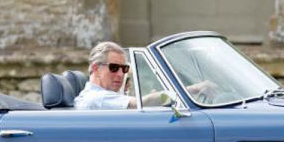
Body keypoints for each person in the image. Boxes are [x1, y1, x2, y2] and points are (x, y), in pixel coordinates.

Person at [74, 41, 218, 110]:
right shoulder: (96, 98)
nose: (120, 74)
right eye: (114, 68)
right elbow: (140, 103)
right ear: (96, 68)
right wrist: (192, 90)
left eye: (123, 68)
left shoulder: (104, 96)